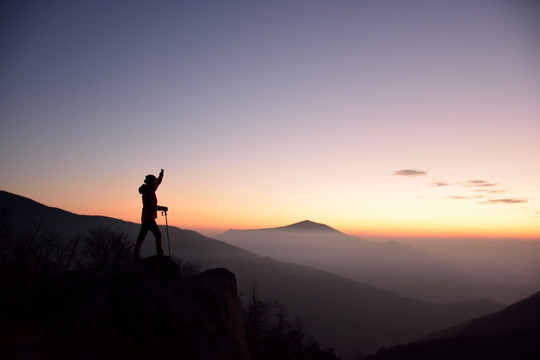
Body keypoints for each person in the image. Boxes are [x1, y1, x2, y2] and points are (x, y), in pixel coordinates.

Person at [133, 169, 168, 261]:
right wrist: (162, 208)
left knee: (142, 236)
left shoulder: (150, 190)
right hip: (148, 218)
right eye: (153, 182)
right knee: (158, 235)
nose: (154, 183)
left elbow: (158, 183)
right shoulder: (148, 193)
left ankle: (136, 255)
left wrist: (161, 175)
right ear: (150, 183)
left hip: (146, 217)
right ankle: (159, 254)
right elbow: (151, 206)